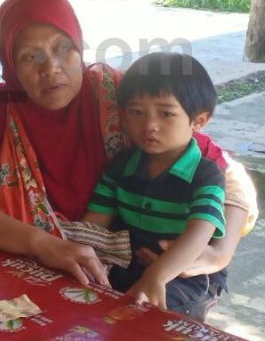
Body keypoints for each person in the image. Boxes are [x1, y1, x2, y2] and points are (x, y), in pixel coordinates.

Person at [0, 0, 258, 287]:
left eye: (63, 48)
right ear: (10, 64)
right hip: (33, 266)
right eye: (30, 56)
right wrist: (42, 244)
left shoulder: (116, 95)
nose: (51, 68)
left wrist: (219, 253)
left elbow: (228, 177)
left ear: (79, 47)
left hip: (122, 273)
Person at [83, 52, 228, 320]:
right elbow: (94, 226)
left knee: (149, 319)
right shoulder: (120, 167)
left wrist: (158, 275)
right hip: (127, 265)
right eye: (137, 112)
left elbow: (199, 235)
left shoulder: (206, 175)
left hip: (185, 276)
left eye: (166, 114)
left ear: (198, 120)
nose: (150, 125)